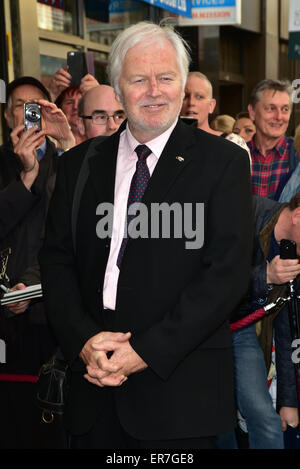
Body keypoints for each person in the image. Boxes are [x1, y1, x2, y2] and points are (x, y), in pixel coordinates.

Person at [39, 21, 253, 450]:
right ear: (117, 89)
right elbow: (57, 261)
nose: (155, 90)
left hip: (178, 397)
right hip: (92, 389)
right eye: (139, 79)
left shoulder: (223, 163)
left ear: (184, 87)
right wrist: (83, 341)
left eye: (166, 78)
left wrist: (146, 351)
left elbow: (225, 276)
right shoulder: (78, 164)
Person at [0, 76, 75, 449]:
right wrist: (25, 175)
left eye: (36, 105)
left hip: (52, 306)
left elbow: (76, 226)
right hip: (8, 311)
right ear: (6, 114)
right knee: (14, 419)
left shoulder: (67, 160)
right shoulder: (3, 163)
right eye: (18, 105)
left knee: (54, 414)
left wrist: (65, 147)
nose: (27, 113)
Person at [217, 192, 300, 449]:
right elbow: (210, 277)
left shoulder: (294, 250)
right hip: (201, 328)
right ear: (298, 216)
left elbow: (288, 323)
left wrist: (288, 401)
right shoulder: (245, 212)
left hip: (242, 332)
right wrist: (263, 275)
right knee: (214, 421)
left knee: (265, 419)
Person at [180, 71, 251, 162]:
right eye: (185, 96)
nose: (191, 102)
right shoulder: (166, 141)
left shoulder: (233, 143)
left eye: (199, 97)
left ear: (211, 105)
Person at [248, 79, 300, 200]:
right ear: (252, 112)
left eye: (285, 109)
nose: (279, 117)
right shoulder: (237, 154)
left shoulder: (297, 155)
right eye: (271, 108)